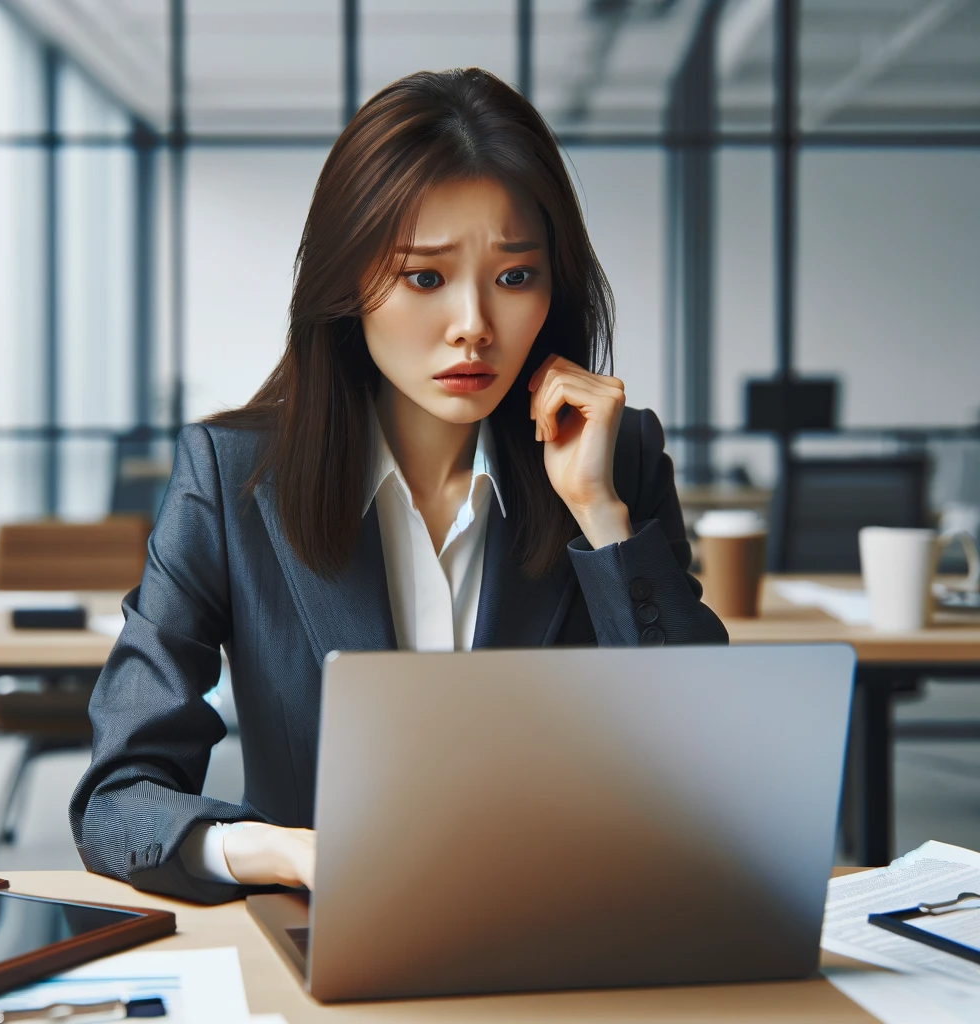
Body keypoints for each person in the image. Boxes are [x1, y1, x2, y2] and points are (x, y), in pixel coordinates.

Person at [70, 68, 727, 905]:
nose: (474, 325)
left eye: (515, 276)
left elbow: (708, 769)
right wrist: (288, 854)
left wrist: (601, 516)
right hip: (337, 941)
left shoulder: (616, 458)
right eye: (425, 277)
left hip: (569, 930)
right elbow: (117, 800)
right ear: (349, 283)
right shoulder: (232, 477)